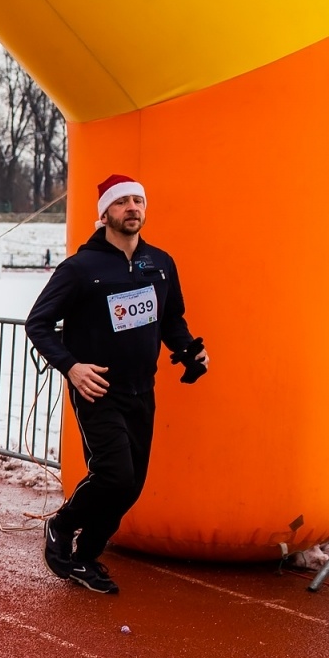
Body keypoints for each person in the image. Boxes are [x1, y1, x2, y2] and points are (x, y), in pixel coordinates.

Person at [25, 174, 208, 595]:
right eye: (122, 202)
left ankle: (86, 556)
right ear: (104, 213)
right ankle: (62, 525)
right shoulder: (80, 268)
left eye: (138, 201)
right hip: (97, 389)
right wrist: (72, 367)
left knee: (132, 485)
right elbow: (38, 323)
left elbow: (169, 319)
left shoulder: (159, 263)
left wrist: (188, 351)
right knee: (113, 473)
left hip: (142, 388)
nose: (132, 208)